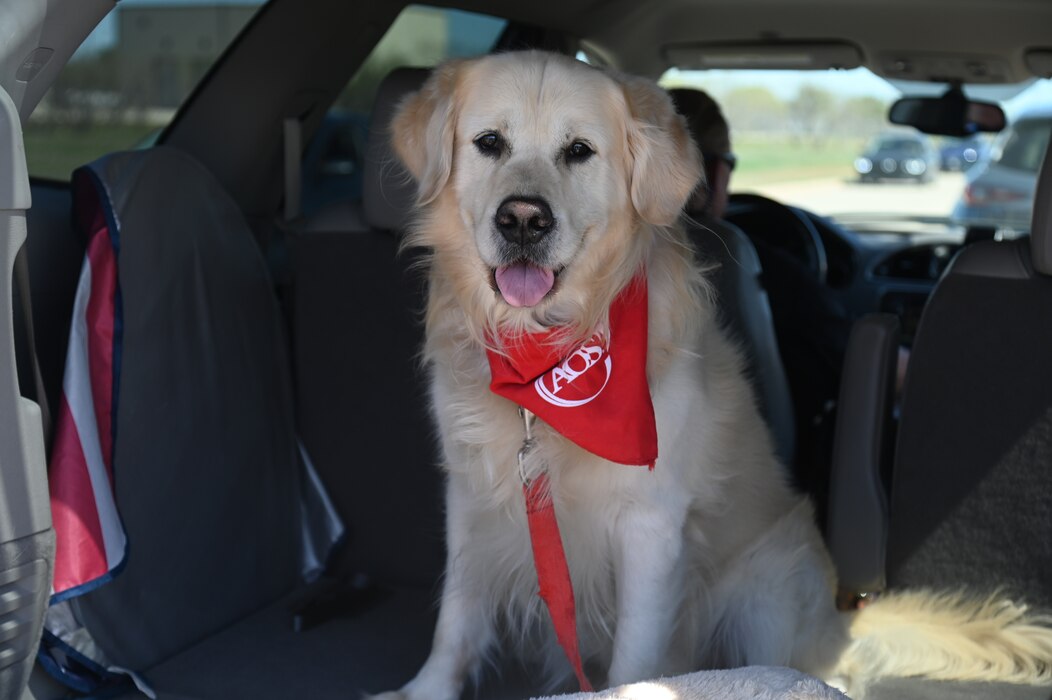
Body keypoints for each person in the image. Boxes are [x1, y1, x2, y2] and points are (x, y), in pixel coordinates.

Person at [669, 87, 854, 524]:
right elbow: (853, 360)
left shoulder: (584, 266)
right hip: (751, 493)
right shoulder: (752, 262)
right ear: (714, 172)